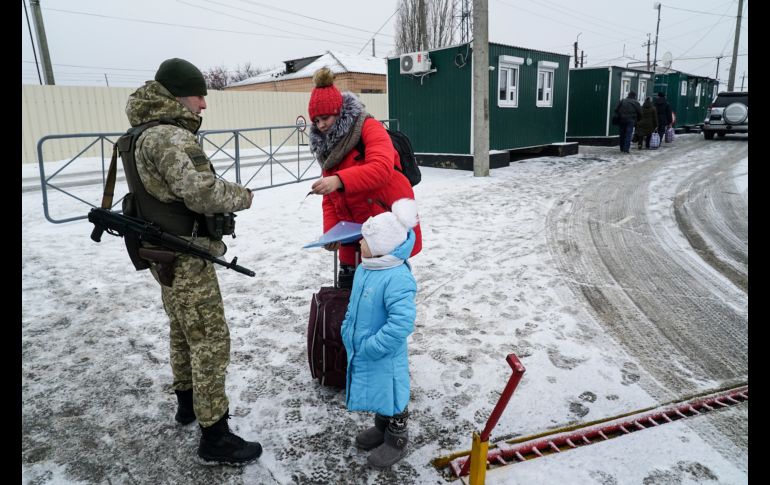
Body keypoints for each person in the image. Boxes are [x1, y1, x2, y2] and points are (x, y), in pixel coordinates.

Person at [123, 58, 261, 466]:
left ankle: (187, 402)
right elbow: (202, 193)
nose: (203, 104)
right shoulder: (168, 137)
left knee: (183, 330)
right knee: (210, 341)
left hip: (160, 252)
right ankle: (215, 436)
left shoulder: (138, 134)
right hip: (184, 254)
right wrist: (243, 195)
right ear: (180, 95)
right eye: (199, 95)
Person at [307, 67, 422, 288]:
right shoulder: (327, 145)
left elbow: (381, 168)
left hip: (383, 223)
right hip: (352, 231)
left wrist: (339, 180)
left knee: (383, 296)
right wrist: (332, 233)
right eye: (317, 120)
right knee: (350, 297)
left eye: (325, 118)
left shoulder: (368, 127)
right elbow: (329, 198)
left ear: (338, 111)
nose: (321, 125)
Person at [341, 198, 419, 469]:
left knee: (394, 392)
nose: (359, 243)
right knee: (379, 390)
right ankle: (381, 427)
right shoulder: (366, 268)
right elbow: (354, 303)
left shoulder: (397, 277)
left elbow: (402, 322)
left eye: (364, 240)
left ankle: (397, 437)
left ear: (381, 247)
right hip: (366, 346)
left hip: (385, 352)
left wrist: (375, 345)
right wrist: (346, 327)